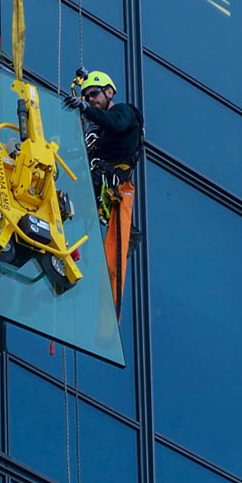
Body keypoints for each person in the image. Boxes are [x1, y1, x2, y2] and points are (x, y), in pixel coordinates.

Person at [62, 69, 142, 314]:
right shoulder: (97, 131)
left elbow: (114, 122)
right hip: (99, 181)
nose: (90, 99)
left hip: (109, 180)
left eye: (94, 94)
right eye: (86, 96)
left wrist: (85, 108)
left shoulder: (124, 113)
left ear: (109, 92)